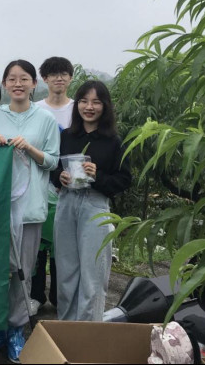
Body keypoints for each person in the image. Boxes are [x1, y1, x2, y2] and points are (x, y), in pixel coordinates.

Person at [0, 60, 60, 363]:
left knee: (23, 272)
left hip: (31, 208)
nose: (18, 83)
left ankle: (16, 329)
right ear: (5, 85)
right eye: (12, 79)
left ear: (34, 83)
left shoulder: (46, 119)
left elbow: (52, 161)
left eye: (24, 78)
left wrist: (32, 150)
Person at [53, 80, 131, 321]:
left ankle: (88, 334)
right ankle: (65, 332)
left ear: (105, 106)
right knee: (65, 273)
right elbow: (53, 169)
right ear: (77, 105)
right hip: (66, 203)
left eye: (96, 102)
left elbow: (124, 179)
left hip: (95, 206)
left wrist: (97, 176)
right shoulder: (67, 135)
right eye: (84, 101)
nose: (89, 107)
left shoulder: (114, 141)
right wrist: (61, 177)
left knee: (93, 276)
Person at [29, 56, 75, 314]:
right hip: (38, 185)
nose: (59, 78)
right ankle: (35, 295)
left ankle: (60, 296)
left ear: (70, 78)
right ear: (44, 80)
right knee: (38, 243)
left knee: (64, 246)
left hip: (69, 187)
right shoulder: (34, 108)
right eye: (53, 74)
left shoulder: (78, 108)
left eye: (64, 74)